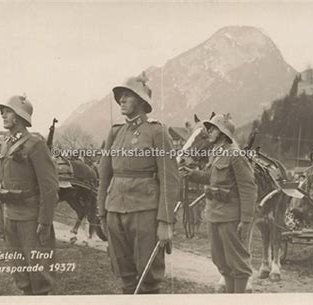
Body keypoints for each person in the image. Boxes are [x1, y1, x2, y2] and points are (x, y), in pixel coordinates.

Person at [97, 73, 180, 294]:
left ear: (142, 101)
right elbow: (104, 175)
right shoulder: (115, 132)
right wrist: (102, 213)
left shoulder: (157, 132)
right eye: (120, 96)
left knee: (148, 278)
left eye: (127, 96)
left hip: (145, 212)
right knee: (125, 275)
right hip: (114, 210)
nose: (121, 100)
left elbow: (170, 179)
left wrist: (165, 222)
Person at [180, 114, 257, 293]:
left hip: (230, 216)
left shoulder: (235, 155)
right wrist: (191, 174)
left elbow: (248, 189)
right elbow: (211, 177)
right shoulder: (216, 153)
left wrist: (246, 220)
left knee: (237, 262)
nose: (210, 132)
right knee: (221, 260)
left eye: (213, 129)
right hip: (214, 215)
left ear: (223, 133)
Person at [0, 95, 59, 295]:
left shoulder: (35, 145)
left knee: (39, 276)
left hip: (31, 220)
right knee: (21, 275)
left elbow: (49, 187)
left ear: (20, 116)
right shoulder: (5, 145)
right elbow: (1, 185)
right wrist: (1, 221)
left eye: (8, 111)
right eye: (2, 112)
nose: (3, 115)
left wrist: (45, 222)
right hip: (10, 218)